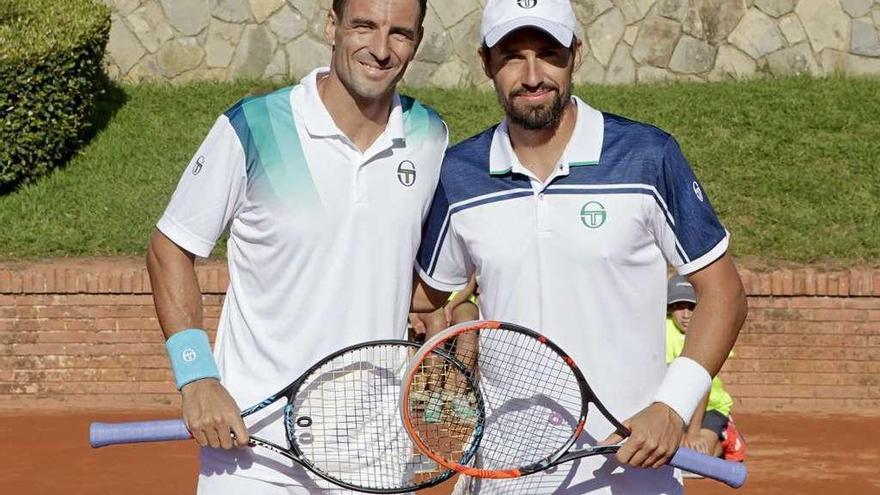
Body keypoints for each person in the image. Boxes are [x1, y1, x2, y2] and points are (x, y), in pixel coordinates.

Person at [411, 0, 748, 493]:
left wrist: (672, 407)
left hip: (628, 476)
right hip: (505, 476)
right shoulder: (458, 175)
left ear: (577, 54)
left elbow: (725, 294)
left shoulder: (647, 157)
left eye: (550, 53)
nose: (532, 75)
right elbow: (423, 298)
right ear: (485, 62)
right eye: (512, 57)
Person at [145, 0, 447, 492]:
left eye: (399, 33)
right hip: (253, 452)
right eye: (364, 26)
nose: (379, 48)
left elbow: (400, 269)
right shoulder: (253, 126)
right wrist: (196, 376)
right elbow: (169, 249)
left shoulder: (430, 135)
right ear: (332, 26)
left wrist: (452, 304)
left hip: (375, 453)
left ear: (415, 41)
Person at [666, 274, 746, 463]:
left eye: (692, 307)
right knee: (670, 457)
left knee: (697, 461)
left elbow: (702, 384)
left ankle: (726, 437)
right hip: (675, 407)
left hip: (710, 407)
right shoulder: (662, 330)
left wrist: (693, 433)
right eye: (678, 307)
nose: (685, 315)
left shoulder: (710, 330)